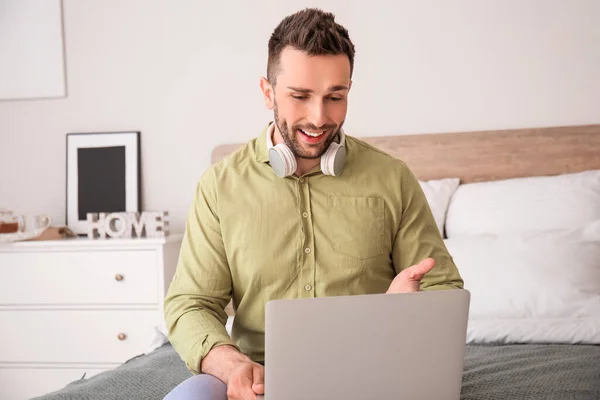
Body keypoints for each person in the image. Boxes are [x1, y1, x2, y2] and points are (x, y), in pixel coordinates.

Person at [163, 7, 463, 400]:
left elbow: (444, 287)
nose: (319, 117)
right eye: (300, 96)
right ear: (267, 92)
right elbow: (192, 303)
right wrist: (231, 363)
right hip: (260, 381)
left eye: (334, 97)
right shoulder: (220, 187)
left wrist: (407, 313)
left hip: (375, 374)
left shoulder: (392, 179)